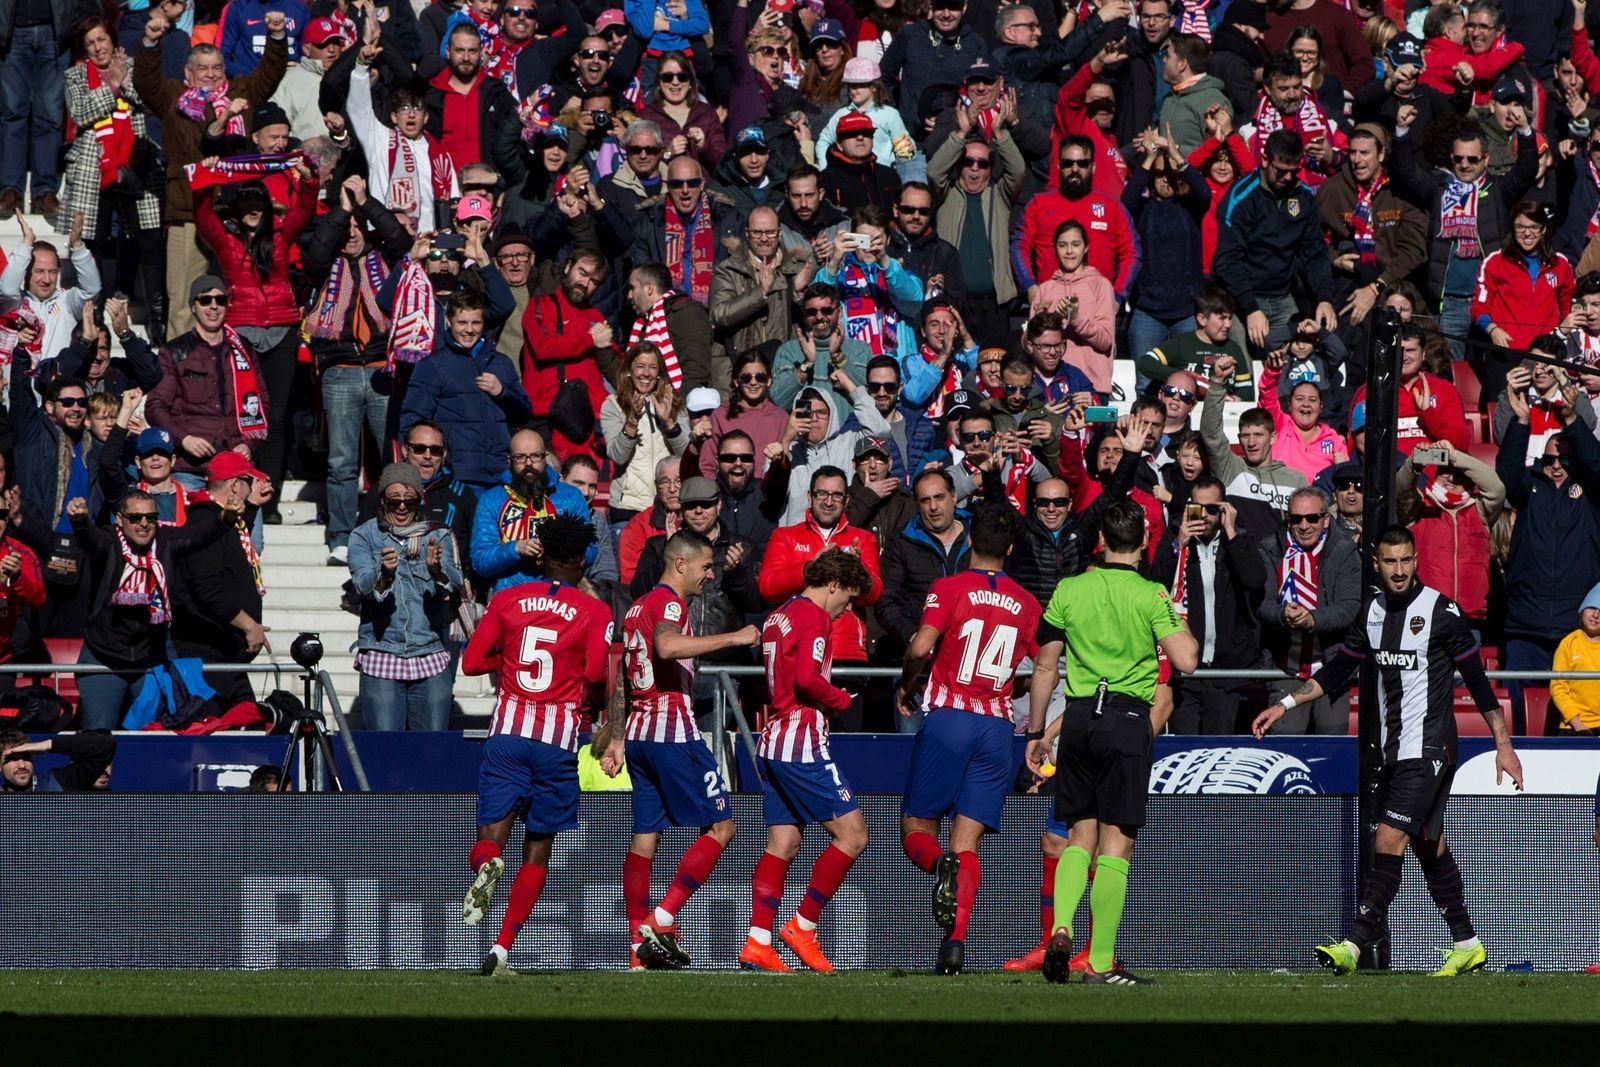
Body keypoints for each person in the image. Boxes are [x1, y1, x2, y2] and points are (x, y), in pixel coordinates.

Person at [1252, 525, 1523, 978]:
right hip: (1391, 750)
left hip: (1430, 746)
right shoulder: (1372, 611)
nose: (1399, 570)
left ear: (1416, 561)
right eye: (1390, 561)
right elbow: (1337, 670)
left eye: (1406, 560)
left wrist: (1503, 744)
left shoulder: (1441, 611)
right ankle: (1468, 944)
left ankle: (1353, 946)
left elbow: (1478, 682)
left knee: (1388, 837)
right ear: (1376, 564)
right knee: (1428, 844)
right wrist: (1285, 704)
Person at [1025, 498, 1199, 985]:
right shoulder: (1151, 594)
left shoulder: (1070, 588)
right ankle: (1099, 963)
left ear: (1100, 540)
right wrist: (1177, 617)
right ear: (1143, 541)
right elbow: (1186, 661)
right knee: (1115, 847)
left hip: (1079, 717)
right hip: (1126, 717)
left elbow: (1045, 666)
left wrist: (1037, 732)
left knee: (1078, 836)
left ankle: (1060, 927)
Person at [459, 513, 612, 975]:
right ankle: (502, 949)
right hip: (557, 740)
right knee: (539, 848)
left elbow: (470, 663)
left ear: (541, 556)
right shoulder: (595, 611)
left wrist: (508, 659)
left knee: (490, 837)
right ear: (582, 560)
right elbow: (595, 674)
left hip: (508, 733)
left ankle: (487, 865)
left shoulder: (507, 598)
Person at [604, 530, 761, 969]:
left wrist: (616, 736)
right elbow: (667, 646)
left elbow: (623, 679)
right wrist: (732, 638)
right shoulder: (669, 603)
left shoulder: (636, 607)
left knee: (644, 839)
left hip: (639, 736)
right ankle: (661, 919)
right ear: (680, 564)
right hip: (672, 732)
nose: (710, 575)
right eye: (706, 566)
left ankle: (637, 952)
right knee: (722, 827)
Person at [896, 502, 1041, 975]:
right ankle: (955, 943)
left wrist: (907, 682)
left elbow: (921, 645)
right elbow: (1044, 665)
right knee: (969, 842)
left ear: (970, 540)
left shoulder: (950, 586)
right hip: (997, 727)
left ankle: (939, 865)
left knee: (917, 828)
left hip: (951, 716)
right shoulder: (1027, 602)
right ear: (1011, 549)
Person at [740, 548, 874, 974]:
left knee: (783, 843)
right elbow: (807, 679)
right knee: (854, 836)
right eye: (848, 599)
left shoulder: (779, 614)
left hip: (772, 740)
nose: (847, 609)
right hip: (801, 742)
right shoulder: (814, 616)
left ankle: (758, 941)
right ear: (833, 584)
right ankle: (803, 925)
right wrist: (840, 700)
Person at [134, 10, 289, 338]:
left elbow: (271, 73)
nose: (211, 75)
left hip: (233, 211)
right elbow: (144, 81)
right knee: (183, 299)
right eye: (203, 69)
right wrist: (149, 42)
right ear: (188, 72)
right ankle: (181, 361)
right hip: (187, 211)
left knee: (234, 293)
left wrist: (276, 37)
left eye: (217, 68)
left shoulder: (240, 93)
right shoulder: (173, 97)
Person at [303, 175, 413, 564]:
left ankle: (394, 531)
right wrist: (344, 210)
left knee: (391, 460)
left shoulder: (385, 257)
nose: (350, 233)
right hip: (340, 369)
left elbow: (401, 242)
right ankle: (341, 536)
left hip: (383, 367)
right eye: (344, 226)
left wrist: (366, 203)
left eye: (357, 226)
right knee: (341, 462)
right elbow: (314, 253)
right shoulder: (324, 264)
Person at [64, 489, 223, 728]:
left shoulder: (165, 540)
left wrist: (226, 518)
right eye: (136, 517)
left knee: (153, 734)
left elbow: (198, 536)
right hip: (103, 657)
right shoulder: (109, 540)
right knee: (98, 735)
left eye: (151, 517)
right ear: (120, 519)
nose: (144, 524)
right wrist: (80, 522)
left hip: (150, 657)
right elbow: (90, 540)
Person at [1496, 378, 1600, 734]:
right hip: (1526, 626)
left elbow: (1597, 465)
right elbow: (1507, 472)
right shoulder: (1529, 490)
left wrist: (1572, 421)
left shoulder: (1592, 495)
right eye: (1550, 459)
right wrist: (1521, 423)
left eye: (1565, 459)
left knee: (1575, 719)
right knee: (1519, 720)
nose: (1557, 466)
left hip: (1577, 630)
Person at [60, 17, 164, 338]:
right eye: (90, 43)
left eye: (101, 39)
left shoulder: (133, 66)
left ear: (112, 40)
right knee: (94, 239)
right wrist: (113, 87)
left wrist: (124, 80)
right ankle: (93, 312)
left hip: (135, 162)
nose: (97, 47)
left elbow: (151, 101)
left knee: (149, 238)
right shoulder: (75, 75)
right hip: (94, 167)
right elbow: (80, 113)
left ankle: (157, 317)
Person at [348, 463, 465, 731]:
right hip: (381, 651)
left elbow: (454, 584)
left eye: (409, 502)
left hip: (429, 651)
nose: (402, 507)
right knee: (385, 747)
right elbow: (364, 587)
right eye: (394, 501)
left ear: (419, 501)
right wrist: (384, 573)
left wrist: (436, 569)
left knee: (432, 747)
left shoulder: (438, 534)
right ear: (382, 500)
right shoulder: (363, 536)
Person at [1150, 475, 1267, 734]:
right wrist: (1178, 544)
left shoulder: (1239, 539)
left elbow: (1255, 580)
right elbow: (1154, 586)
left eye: (1212, 509)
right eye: (1197, 508)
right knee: (1184, 745)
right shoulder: (1175, 537)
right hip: (1185, 668)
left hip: (1226, 670)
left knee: (1219, 746)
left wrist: (1232, 535)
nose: (1203, 515)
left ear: (1225, 509)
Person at [1214, 130, 1338, 353]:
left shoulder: (1304, 197)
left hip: (1282, 296)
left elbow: (1315, 253)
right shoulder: (1241, 197)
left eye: (1294, 171)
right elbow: (1228, 261)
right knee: (1240, 362)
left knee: (1295, 361)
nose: (1288, 178)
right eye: (1281, 171)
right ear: (1265, 160)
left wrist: (1324, 298)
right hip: (1241, 298)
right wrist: (1251, 308)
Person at [168, 451, 275, 709]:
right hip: (206, 657)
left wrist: (252, 506)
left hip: (224, 656)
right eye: (248, 482)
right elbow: (207, 588)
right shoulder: (205, 521)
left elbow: (233, 545)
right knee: (217, 727)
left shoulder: (220, 519)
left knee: (248, 720)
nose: (251, 487)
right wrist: (249, 626)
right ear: (236, 485)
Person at [399, 290, 531, 494]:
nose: (469, 330)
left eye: (476, 323)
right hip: (457, 475)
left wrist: (503, 392)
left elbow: (524, 414)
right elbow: (413, 420)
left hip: (501, 475)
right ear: (448, 321)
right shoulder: (433, 366)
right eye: (462, 322)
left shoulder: (501, 363)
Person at [1257, 487, 1360, 735]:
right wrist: (1283, 615)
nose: (1304, 526)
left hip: (1331, 667)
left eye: (1312, 518)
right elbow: (1261, 604)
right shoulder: (1270, 548)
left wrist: (1312, 619)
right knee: (1286, 745)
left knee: (1330, 746)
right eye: (1296, 519)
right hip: (1286, 667)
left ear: (1326, 519)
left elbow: (1350, 606)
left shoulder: (1344, 549)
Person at [1012, 135, 1140, 307]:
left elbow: (1132, 253)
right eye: (1068, 163)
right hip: (1049, 306)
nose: (1075, 169)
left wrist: (1117, 296)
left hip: (1097, 308)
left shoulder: (1113, 207)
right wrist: (1029, 286)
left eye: (1082, 163)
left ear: (1093, 167)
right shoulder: (1038, 204)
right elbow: (1019, 247)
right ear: (1059, 167)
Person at [1397, 438, 1505, 633]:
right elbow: (1400, 491)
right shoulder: (1419, 504)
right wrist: (1413, 463)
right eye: (1445, 471)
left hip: (1467, 619)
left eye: (1459, 474)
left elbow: (1496, 489)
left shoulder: (1479, 509)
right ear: (1436, 474)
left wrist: (1455, 457)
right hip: (1423, 617)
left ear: (1470, 480)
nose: (1451, 479)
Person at [469, 427, 592, 597]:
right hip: (509, 597)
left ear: (545, 457)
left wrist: (559, 550)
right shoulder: (492, 500)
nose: (528, 463)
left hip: (559, 596)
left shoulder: (570, 497)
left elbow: (591, 550)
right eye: (520, 457)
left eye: (535, 456)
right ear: (509, 461)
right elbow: (480, 562)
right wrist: (515, 549)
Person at [1200, 354, 1307, 534]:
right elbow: (1211, 433)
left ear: (1272, 438)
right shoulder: (1231, 468)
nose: (1251, 442)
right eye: (1245, 436)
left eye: (1258, 435)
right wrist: (1218, 382)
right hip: (1236, 549)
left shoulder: (1296, 479)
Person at [601, 343, 690, 527]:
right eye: (640, 366)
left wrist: (669, 423)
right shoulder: (613, 405)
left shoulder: (674, 403)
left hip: (669, 506)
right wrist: (632, 421)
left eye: (652, 367)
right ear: (629, 370)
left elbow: (687, 455)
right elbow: (618, 456)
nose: (646, 373)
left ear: (659, 373)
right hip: (628, 507)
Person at [0, 216, 101, 366]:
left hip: (57, 380)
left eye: (52, 272)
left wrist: (77, 246)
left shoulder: (66, 301)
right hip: (16, 381)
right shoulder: (15, 303)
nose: (46, 279)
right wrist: (27, 242)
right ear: (25, 272)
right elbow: (7, 290)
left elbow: (91, 290)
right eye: (39, 271)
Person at [1030, 221, 1117, 395]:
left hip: (1092, 386)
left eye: (1075, 244)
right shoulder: (1045, 289)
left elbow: (1106, 341)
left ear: (1086, 248)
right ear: (1055, 249)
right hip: (1051, 385)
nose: (1069, 251)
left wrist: (1076, 318)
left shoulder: (1101, 285)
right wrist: (1037, 324)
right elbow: (1028, 345)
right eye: (1063, 245)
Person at [0, 730, 116, 793]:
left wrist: (47, 745)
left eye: (26, 757)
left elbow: (106, 746)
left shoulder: (58, 782)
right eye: (13, 758)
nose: (22, 765)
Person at [1551, 584, 1600, 733]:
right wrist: (1578, 725)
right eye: (1592, 608)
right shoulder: (1568, 643)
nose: (1596, 615)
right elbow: (1558, 688)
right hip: (1573, 725)